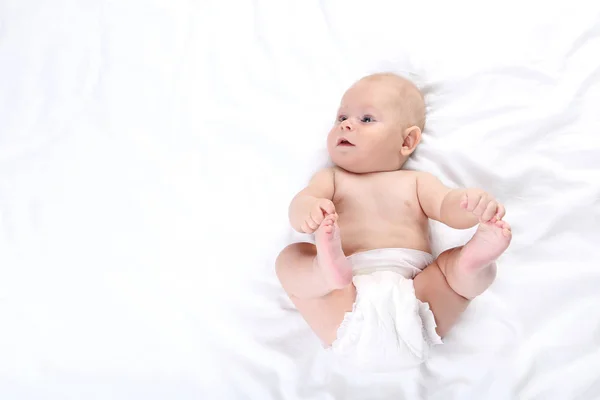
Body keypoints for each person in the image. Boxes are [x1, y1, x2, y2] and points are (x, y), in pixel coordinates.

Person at [275, 73, 512, 370]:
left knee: (453, 271)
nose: (346, 124)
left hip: (414, 289)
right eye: (342, 117)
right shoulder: (330, 180)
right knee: (291, 258)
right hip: (348, 295)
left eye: (367, 119)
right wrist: (309, 209)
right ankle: (324, 271)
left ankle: (471, 262)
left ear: (407, 141)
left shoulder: (417, 182)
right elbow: (302, 202)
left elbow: (446, 205)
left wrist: (469, 205)